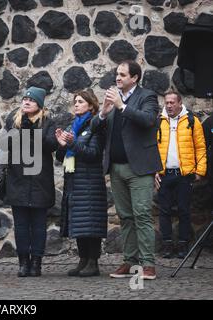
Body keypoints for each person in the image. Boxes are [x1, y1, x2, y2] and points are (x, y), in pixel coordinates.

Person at [91, 60, 162, 280]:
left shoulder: (147, 96)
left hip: (139, 168)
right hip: (116, 168)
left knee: (141, 215)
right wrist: (103, 112)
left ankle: (148, 263)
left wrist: (121, 106)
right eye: (117, 74)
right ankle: (130, 261)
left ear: (135, 78)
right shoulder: (112, 98)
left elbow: (149, 120)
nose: (118, 78)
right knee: (125, 216)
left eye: (122, 74)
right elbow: (94, 127)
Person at [2, 86, 58, 277]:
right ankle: (23, 262)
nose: (26, 102)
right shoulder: (13, 121)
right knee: (21, 225)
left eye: (31, 100)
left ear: (39, 105)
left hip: (40, 181)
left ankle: (36, 262)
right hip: (18, 180)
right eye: (25, 99)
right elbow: (4, 143)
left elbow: (52, 144)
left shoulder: (48, 123)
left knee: (39, 225)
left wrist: (31, 134)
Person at [55, 90, 107, 277]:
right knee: (78, 222)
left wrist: (72, 143)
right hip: (74, 181)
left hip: (90, 181)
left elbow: (93, 154)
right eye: (75, 101)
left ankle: (93, 262)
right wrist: (61, 145)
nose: (76, 104)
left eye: (80, 102)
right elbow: (63, 157)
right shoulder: (73, 125)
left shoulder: (96, 127)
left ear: (91, 106)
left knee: (90, 223)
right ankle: (83, 260)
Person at [155, 91, 206, 259]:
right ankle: (168, 245)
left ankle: (183, 245)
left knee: (184, 210)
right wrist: (154, 171)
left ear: (179, 103)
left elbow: (200, 147)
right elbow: (152, 148)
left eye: (172, 102)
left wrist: (200, 171)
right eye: (166, 103)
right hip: (164, 174)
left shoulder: (192, 121)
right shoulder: (158, 122)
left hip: (184, 174)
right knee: (164, 211)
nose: (168, 105)